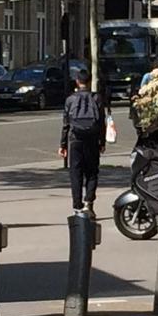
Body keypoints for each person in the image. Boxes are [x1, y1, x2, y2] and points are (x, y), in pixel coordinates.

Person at [59, 70, 105, 216]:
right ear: (90, 81)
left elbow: (66, 124)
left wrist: (63, 144)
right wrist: (102, 142)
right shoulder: (97, 98)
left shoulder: (70, 99)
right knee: (92, 172)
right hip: (92, 139)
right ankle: (89, 202)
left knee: (76, 173)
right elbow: (101, 122)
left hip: (75, 139)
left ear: (77, 82)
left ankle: (77, 206)